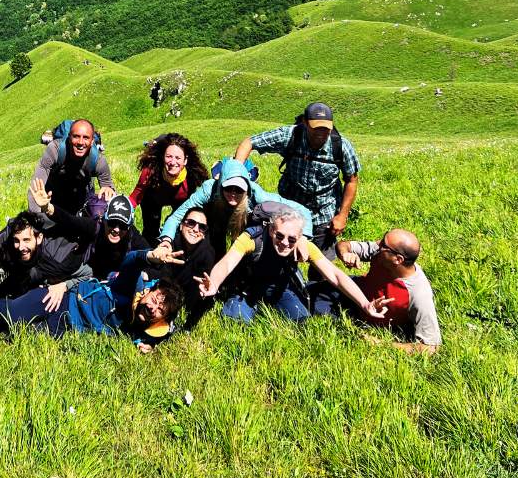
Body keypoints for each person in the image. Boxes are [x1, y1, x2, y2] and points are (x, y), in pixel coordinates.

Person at [196, 201, 390, 324]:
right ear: (271, 230)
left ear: (300, 237)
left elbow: (336, 276)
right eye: (279, 236)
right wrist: (213, 284)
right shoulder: (252, 238)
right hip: (248, 289)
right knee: (233, 322)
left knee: (302, 322)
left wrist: (365, 304)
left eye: (291, 239)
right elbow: (228, 263)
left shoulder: (304, 245)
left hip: (281, 288)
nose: (284, 243)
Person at [0, 244, 186, 352]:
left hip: (66, 326)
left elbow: (170, 330)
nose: (153, 307)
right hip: (62, 300)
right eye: (156, 299)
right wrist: (150, 256)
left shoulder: (149, 327)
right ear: (149, 292)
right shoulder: (131, 287)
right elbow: (131, 261)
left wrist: (150, 344)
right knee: (6, 316)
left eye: (161, 309)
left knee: (15, 336)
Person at [234, 102, 360, 263]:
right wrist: (236, 174)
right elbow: (249, 143)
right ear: (305, 123)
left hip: (324, 213)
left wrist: (342, 215)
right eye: (316, 128)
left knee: (322, 264)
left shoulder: (341, 146)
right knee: (281, 259)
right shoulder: (290, 136)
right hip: (290, 211)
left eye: (326, 128)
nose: (322, 133)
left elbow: (352, 180)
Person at [312, 229, 441, 353]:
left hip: (366, 318)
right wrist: (345, 254)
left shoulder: (419, 294)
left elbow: (430, 347)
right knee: (307, 293)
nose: (378, 244)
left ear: (398, 259)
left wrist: (380, 344)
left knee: (318, 324)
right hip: (354, 292)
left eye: (384, 244)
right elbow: (343, 245)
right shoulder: (381, 253)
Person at [159, 157, 313, 259]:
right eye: (228, 188)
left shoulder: (258, 196)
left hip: (245, 226)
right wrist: (166, 241)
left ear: (247, 189)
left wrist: (303, 237)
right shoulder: (208, 190)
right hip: (215, 221)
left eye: (239, 190)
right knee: (213, 246)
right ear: (220, 186)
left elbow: (301, 210)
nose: (233, 193)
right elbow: (177, 216)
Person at [0, 201, 89, 309]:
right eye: (16, 240)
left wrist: (65, 285)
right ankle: (1, 277)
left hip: (49, 284)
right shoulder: (11, 241)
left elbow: (90, 274)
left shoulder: (61, 254)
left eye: (26, 240)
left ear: (39, 238)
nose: (21, 247)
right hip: (25, 277)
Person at [30, 179, 149, 281]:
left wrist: (143, 274)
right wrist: (47, 208)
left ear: (129, 227)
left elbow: (154, 258)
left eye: (123, 226)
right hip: (90, 273)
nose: (116, 229)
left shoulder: (132, 237)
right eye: (112, 223)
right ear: (104, 220)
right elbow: (70, 220)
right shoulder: (96, 226)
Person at [129, 133, 208, 241]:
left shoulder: (191, 177)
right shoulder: (150, 171)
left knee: (177, 230)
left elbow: (191, 206)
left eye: (178, 158)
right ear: (163, 157)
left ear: (185, 160)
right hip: (151, 200)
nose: (173, 162)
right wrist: (121, 210)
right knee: (150, 232)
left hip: (179, 202)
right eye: (169, 156)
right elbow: (135, 196)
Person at [28, 119, 114, 218]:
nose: (81, 142)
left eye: (86, 138)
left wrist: (107, 193)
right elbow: (36, 188)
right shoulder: (55, 150)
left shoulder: (98, 160)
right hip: (54, 195)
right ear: (69, 138)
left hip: (80, 198)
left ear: (92, 141)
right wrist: (35, 218)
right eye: (76, 137)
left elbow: (108, 187)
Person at [156, 208, 216, 330]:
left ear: (204, 234)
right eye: (191, 223)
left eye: (202, 227)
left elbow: (198, 286)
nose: (195, 229)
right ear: (180, 225)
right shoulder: (169, 246)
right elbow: (162, 278)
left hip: (189, 295)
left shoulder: (207, 253)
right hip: (166, 289)